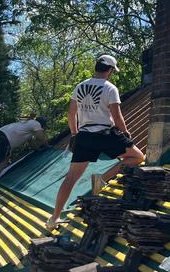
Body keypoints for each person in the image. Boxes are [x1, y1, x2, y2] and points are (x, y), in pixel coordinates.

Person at [47, 55, 144, 231]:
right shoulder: (110, 88)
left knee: (71, 178)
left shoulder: (80, 86)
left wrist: (75, 134)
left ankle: (54, 218)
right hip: (105, 134)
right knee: (137, 157)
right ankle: (102, 179)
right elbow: (116, 116)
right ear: (110, 70)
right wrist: (125, 132)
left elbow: (71, 114)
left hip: (84, 135)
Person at [0, 116, 48, 189]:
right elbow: (41, 137)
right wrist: (47, 145)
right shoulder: (35, 123)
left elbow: (32, 144)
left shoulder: (27, 127)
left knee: (6, 157)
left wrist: (38, 150)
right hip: (4, 138)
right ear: (42, 124)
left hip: (0, 135)